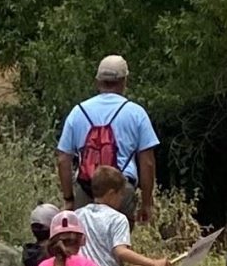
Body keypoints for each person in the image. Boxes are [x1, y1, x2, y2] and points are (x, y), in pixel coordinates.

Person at [55, 54, 159, 223]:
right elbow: (147, 162)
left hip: (87, 189)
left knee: (84, 244)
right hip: (121, 191)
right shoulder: (136, 113)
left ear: (98, 81)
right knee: (118, 243)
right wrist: (147, 203)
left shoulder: (78, 112)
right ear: (124, 81)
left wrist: (69, 199)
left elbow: (63, 160)